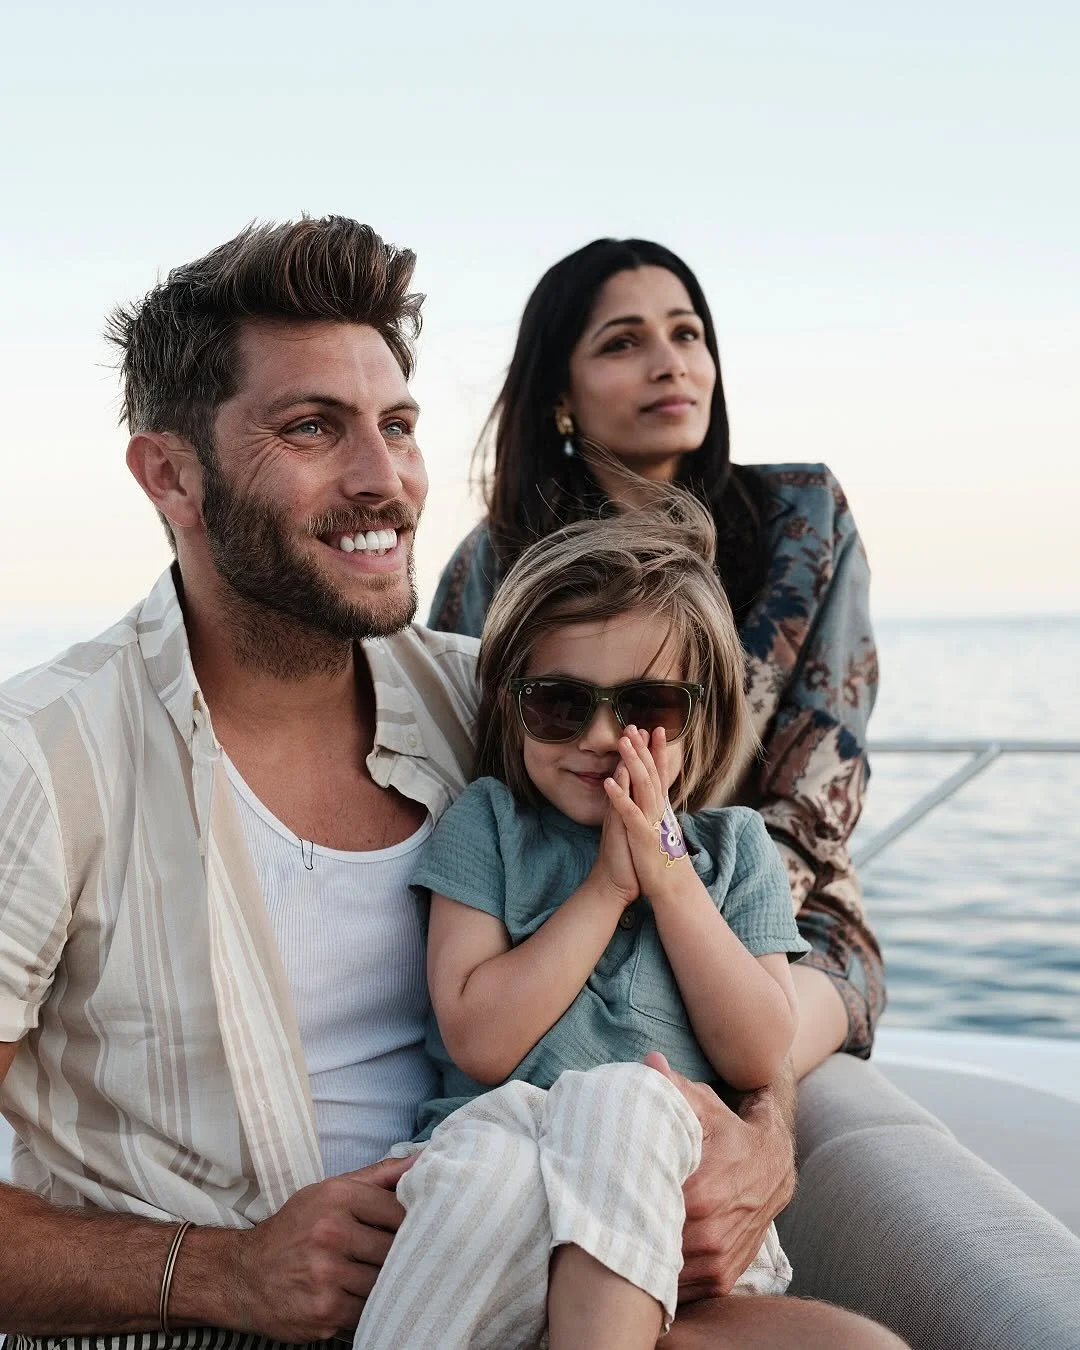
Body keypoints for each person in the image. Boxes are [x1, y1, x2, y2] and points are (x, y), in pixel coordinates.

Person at [0, 217, 902, 1350]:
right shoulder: (41, 760)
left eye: (399, 426)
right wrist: (221, 1272)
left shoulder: (499, 701)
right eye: (313, 428)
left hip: (555, 1268)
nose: (385, 481)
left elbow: (769, 950)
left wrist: (758, 1136)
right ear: (171, 475)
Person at [354, 494, 808, 1349]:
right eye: (561, 704)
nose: (602, 736)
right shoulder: (490, 824)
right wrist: (604, 891)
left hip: (670, 1211)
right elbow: (481, 1041)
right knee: (480, 1164)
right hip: (501, 1183)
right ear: (511, 707)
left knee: (630, 1097)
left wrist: (668, 879)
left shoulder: (736, 850)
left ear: (697, 718)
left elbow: (756, 1051)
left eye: (646, 708)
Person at [430, 237, 886, 1079]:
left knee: (768, 1038)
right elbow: (471, 756)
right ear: (561, 392)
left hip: (772, 897)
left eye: (687, 334)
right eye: (623, 342)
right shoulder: (491, 563)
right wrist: (588, 898)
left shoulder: (804, 520)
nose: (669, 364)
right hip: (548, 892)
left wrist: (691, 898)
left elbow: (824, 771)